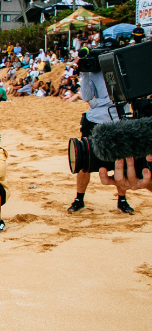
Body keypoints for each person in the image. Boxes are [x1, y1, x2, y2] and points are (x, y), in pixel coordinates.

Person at [67, 59, 134, 214]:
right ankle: (79, 199)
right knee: (84, 160)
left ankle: (122, 200)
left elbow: (125, 95)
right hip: (94, 119)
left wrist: (99, 102)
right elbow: (87, 97)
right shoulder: (92, 69)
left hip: (118, 119)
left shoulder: (122, 65)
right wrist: (84, 73)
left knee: (120, 160)